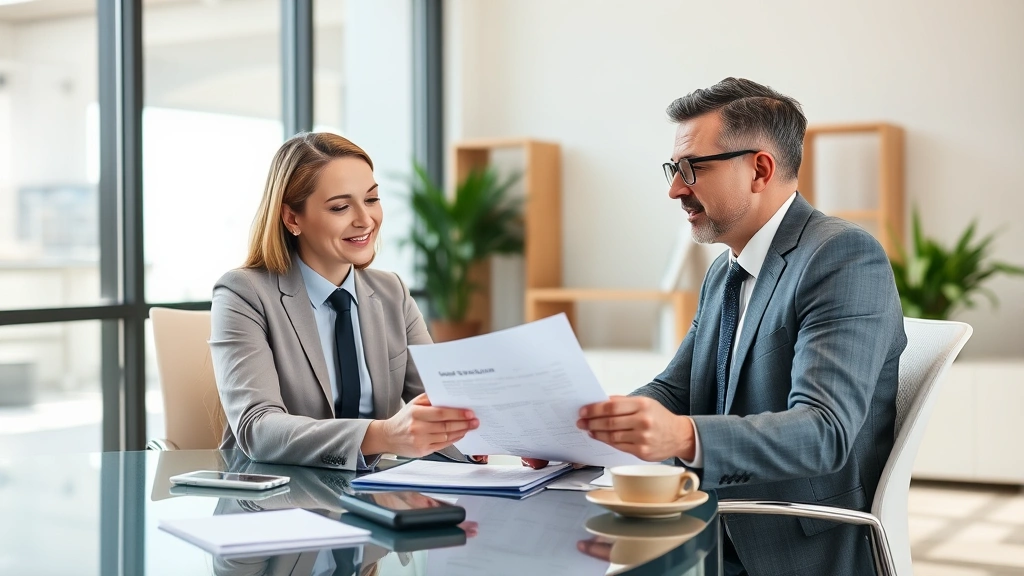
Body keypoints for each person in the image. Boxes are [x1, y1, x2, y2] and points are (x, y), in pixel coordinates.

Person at [572, 78, 907, 576]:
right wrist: (584, 429)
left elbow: (824, 430)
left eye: (690, 168)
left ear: (760, 169)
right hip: (710, 528)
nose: (674, 189)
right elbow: (676, 388)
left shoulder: (840, 256)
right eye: (672, 169)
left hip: (790, 545)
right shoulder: (725, 271)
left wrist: (683, 436)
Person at [210, 132, 481, 470]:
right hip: (274, 500)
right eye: (340, 207)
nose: (365, 220)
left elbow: (437, 402)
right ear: (293, 218)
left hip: (375, 498)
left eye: (371, 199)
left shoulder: (391, 292)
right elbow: (258, 429)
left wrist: (499, 440)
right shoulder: (243, 293)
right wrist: (382, 435)